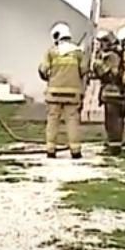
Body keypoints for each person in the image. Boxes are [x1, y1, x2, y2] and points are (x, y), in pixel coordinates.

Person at [38, 22, 88, 159]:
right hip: (72, 93)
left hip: (54, 93)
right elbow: (84, 70)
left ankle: (50, 149)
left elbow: (43, 69)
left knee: (53, 120)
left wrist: (48, 77)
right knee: (72, 120)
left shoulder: (52, 52)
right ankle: (75, 150)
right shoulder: (78, 52)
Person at [90, 30, 125, 155]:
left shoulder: (113, 56)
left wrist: (98, 65)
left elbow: (112, 74)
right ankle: (112, 144)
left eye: (103, 42)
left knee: (113, 121)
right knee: (110, 121)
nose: (101, 45)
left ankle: (114, 147)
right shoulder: (111, 54)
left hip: (113, 92)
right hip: (110, 92)